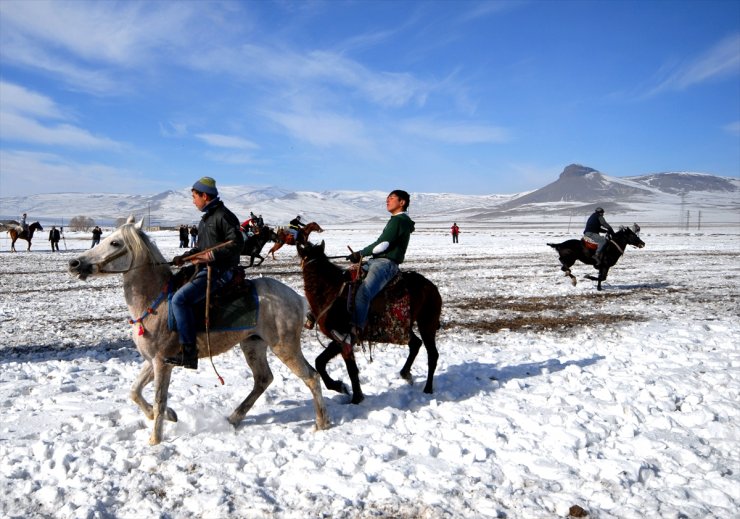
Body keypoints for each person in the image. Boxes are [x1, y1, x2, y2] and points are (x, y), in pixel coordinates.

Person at [165, 177, 245, 369]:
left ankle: (189, 353)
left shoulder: (224, 216)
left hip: (221, 271)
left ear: (205, 196)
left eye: (194, 197)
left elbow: (237, 244)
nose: (193, 201)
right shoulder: (206, 219)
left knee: (179, 300)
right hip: (205, 267)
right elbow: (201, 248)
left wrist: (212, 255)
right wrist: (184, 256)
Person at [332, 189, 414, 350]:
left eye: (391, 198)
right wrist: (360, 256)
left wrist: (360, 253)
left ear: (402, 202)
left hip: (385, 264)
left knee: (364, 293)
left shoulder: (399, 221)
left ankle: (354, 332)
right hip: (374, 260)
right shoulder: (396, 220)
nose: (387, 200)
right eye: (387, 198)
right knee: (345, 278)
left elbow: (383, 244)